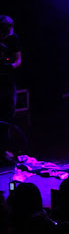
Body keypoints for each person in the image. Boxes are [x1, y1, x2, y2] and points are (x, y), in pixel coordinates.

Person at [0, 15, 21, 165]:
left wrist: (10, 67)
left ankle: (4, 150)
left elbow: (18, 60)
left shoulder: (13, 39)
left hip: (7, 81)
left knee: (8, 114)